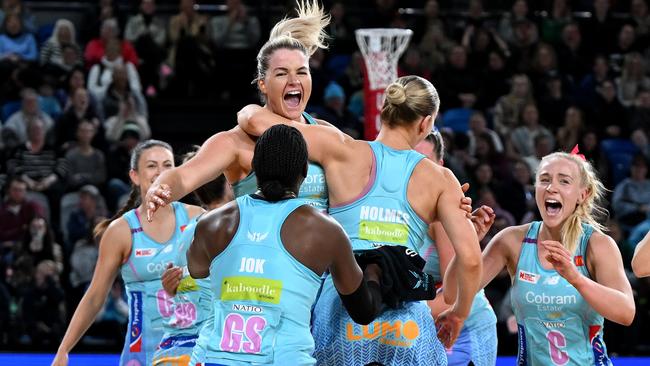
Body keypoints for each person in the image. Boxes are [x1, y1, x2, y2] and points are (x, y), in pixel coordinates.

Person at [238, 75, 482, 365]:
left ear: (383, 112)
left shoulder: (340, 148)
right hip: (405, 319)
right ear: (426, 123)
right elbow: (470, 260)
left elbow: (257, 123)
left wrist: (247, 112)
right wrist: (459, 313)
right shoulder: (441, 179)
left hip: (342, 306)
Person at [187, 125, 385, 365]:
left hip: (211, 358)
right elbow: (363, 312)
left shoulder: (210, 223)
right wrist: (374, 272)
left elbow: (197, 270)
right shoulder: (326, 230)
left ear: (255, 168)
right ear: (304, 170)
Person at [444, 149, 635, 365]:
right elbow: (452, 294)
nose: (551, 187)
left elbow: (626, 312)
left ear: (583, 194)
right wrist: (467, 242)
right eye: (544, 180)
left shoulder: (597, 245)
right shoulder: (512, 240)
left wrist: (576, 278)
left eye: (564, 181)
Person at [145, 0, 332, 218]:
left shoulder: (325, 131)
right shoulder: (235, 142)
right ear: (262, 83)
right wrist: (160, 188)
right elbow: (183, 176)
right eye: (281, 73)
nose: (293, 81)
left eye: (301, 72)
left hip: (320, 249)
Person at [51, 140, 204, 366]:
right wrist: (64, 350)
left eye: (167, 165)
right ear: (134, 176)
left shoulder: (198, 217)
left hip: (191, 352)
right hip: (143, 354)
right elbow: (95, 297)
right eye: (152, 166)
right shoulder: (121, 231)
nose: (161, 173)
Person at [415, 130, 498, 366]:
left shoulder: (445, 211)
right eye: (411, 159)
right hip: (428, 322)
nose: (418, 171)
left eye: (426, 163)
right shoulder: (403, 206)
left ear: (440, 166)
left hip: (464, 326)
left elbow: (453, 296)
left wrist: (392, 314)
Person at [152, 148, 233, 366]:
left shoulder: (187, 232)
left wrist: (171, 289)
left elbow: (180, 291)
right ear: (228, 183)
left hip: (172, 348)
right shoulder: (233, 226)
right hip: (207, 350)